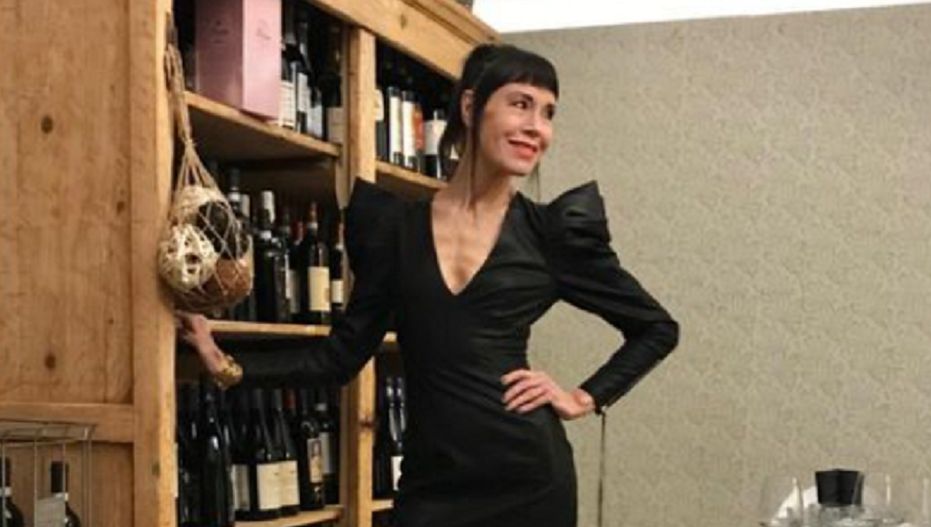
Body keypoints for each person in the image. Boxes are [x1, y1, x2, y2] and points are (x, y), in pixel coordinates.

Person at [178, 43, 680, 527]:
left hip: (528, 481)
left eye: (548, 113)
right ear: (471, 106)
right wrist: (225, 363)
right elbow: (340, 357)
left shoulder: (550, 235)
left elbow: (656, 328)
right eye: (521, 104)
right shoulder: (394, 230)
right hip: (432, 484)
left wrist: (582, 397)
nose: (537, 127)